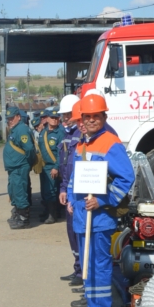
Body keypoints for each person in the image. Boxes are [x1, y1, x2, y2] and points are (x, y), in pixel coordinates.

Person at [68, 93, 135, 307]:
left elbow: (126, 177)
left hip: (98, 219)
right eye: (88, 116)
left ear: (104, 117)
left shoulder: (110, 143)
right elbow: (76, 176)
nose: (91, 120)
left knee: (98, 266)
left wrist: (102, 200)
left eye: (96, 116)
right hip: (81, 216)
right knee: (89, 265)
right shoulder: (83, 143)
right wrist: (69, 196)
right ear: (82, 118)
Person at [57, 95, 84, 287]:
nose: (65, 119)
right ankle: (78, 269)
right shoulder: (67, 136)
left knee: (79, 234)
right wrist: (63, 188)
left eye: (68, 115)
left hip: (80, 193)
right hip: (70, 191)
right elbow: (65, 165)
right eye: (63, 116)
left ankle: (83, 272)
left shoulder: (81, 135)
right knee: (71, 233)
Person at [4, 105, 36, 229]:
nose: (10, 120)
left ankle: (24, 219)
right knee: (14, 191)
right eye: (8, 119)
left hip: (19, 167)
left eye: (12, 118)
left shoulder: (21, 129)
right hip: (14, 167)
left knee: (20, 192)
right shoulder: (15, 129)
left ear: (18, 117)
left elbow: (29, 149)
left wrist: (28, 162)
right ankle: (18, 215)